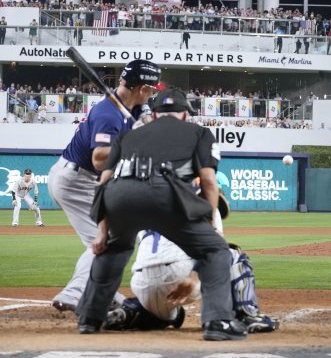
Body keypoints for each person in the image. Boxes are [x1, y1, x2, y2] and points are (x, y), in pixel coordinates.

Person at [75, 88, 247, 342]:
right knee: (216, 251)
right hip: (164, 194)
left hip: (119, 197)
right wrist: (211, 220)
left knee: (113, 248)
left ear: (154, 116)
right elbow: (209, 180)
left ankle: (89, 319)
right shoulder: (200, 133)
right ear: (185, 115)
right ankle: (217, 321)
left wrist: (102, 232)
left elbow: (104, 181)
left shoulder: (127, 136)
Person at [48, 59, 161, 313]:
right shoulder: (107, 114)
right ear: (141, 88)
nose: (153, 94)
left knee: (113, 236)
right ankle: (76, 293)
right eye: (152, 90)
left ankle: (101, 291)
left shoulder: (133, 106)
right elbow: (100, 159)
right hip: (76, 181)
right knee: (108, 239)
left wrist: (144, 122)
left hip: (83, 180)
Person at [103, 230, 279, 333]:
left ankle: (131, 311)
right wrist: (194, 275)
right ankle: (248, 315)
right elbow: (215, 253)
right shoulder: (196, 206)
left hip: (141, 283)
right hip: (180, 278)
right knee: (231, 253)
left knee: (172, 315)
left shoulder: (146, 211)